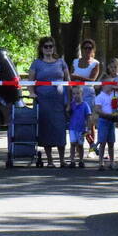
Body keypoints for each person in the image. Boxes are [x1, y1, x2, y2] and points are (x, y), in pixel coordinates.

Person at [28, 37, 70, 168]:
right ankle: (50, 160)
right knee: (46, 129)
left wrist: (69, 101)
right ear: (41, 48)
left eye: (51, 46)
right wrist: (32, 93)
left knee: (60, 129)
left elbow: (68, 82)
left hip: (59, 102)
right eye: (46, 46)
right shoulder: (36, 63)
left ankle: (62, 160)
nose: (48, 49)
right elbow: (30, 82)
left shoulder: (61, 62)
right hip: (43, 101)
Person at [71, 38, 101, 156]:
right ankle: (79, 149)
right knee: (78, 122)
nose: (88, 50)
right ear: (82, 50)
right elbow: (70, 77)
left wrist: (78, 77)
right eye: (85, 48)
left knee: (90, 122)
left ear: (93, 50)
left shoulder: (95, 63)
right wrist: (76, 78)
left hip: (88, 94)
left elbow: (92, 80)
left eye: (90, 48)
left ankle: (92, 149)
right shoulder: (75, 62)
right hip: (76, 94)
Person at [93, 82, 118, 170]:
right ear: (103, 86)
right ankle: (101, 162)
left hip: (112, 121)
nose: (111, 85)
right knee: (102, 142)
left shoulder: (114, 94)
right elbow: (97, 109)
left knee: (111, 142)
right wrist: (106, 115)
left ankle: (112, 162)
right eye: (109, 84)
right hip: (103, 120)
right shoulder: (100, 97)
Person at [66, 85, 91, 168]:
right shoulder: (71, 104)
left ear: (82, 94)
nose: (76, 95)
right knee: (72, 143)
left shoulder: (85, 105)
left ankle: (81, 160)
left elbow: (88, 117)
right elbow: (67, 113)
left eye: (78, 93)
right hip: (72, 128)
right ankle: (72, 160)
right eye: (74, 94)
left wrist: (88, 128)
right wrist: (68, 108)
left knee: (80, 145)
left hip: (81, 128)